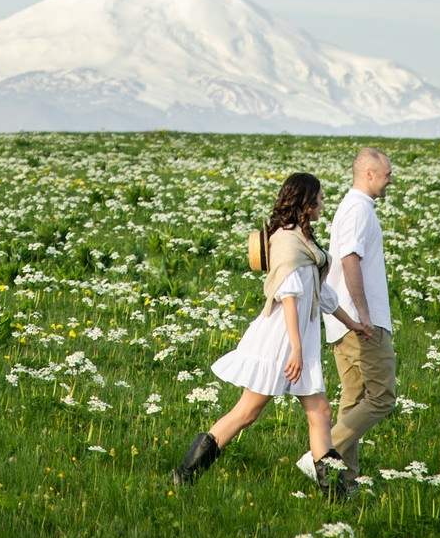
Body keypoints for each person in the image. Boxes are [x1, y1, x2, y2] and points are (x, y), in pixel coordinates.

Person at [169, 172, 370, 497]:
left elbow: (321, 294)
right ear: (306, 201)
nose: (323, 203)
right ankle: (185, 473)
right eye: (318, 197)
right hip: (280, 340)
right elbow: (288, 295)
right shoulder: (287, 241)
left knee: (320, 412)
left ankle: (335, 493)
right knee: (247, 412)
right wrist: (295, 349)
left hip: (297, 339)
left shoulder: (304, 241)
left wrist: (354, 323)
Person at [312, 146, 395, 491]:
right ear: (369, 174)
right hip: (361, 322)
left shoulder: (351, 207)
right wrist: (364, 315)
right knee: (382, 396)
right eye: (388, 174)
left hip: (342, 321)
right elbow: (349, 260)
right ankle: (320, 455)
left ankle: (345, 479)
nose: (392, 180)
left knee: (354, 398)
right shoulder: (360, 209)